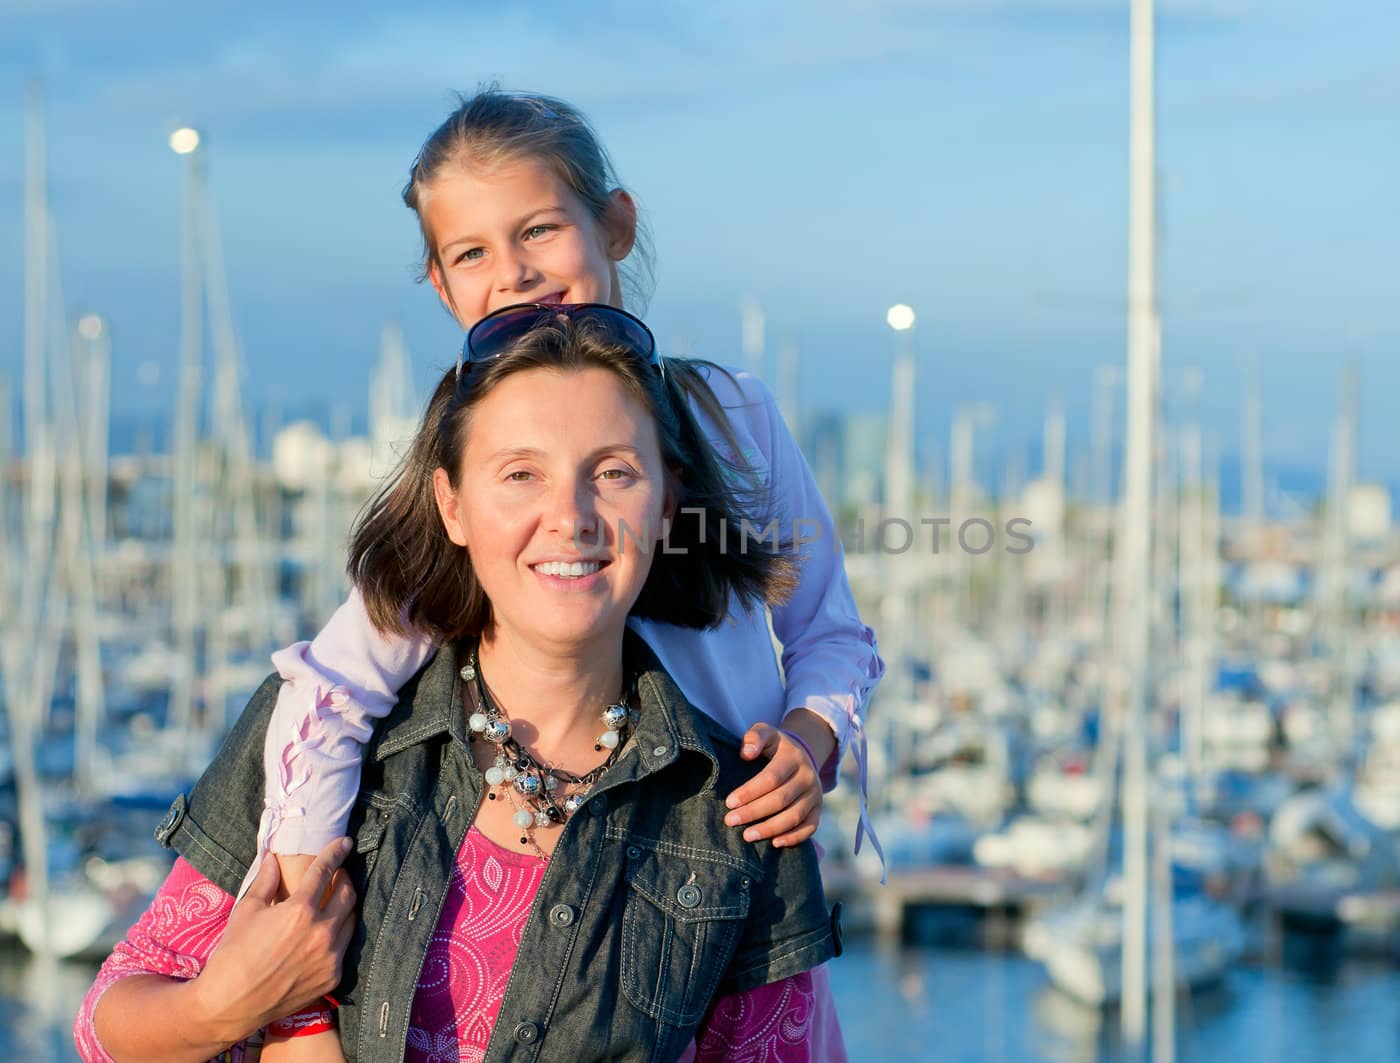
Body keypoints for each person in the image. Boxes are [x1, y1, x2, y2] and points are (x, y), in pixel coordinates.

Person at [249, 90, 882, 1057]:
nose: (514, 274)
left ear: (615, 225)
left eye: (539, 229)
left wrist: (810, 736)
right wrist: (300, 878)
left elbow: (830, 631)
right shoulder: (471, 460)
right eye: (472, 254)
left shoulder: (731, 419)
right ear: (440, 285)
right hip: (540, 883)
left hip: (725, 879)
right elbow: (337, 684)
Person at [77, 305, 848, 1061]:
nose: (570, 515)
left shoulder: (746, 817)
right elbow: (106, 1027)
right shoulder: (322, 740)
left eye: (613, 472)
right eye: (520, 474)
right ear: (453, 505)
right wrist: (229, 1004)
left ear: (667, 507)